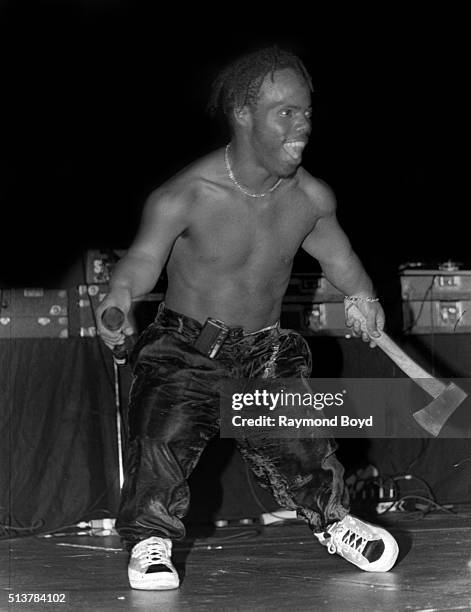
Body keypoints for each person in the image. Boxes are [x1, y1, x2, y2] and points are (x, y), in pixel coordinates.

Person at [96, 46, 399, 591]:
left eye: (307, 111)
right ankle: (149, 540)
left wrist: (364, 297)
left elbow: (342, 260)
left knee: (305, 443)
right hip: (187, 349)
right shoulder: (186, 194)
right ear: (242, 113)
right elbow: (140, 262)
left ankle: (337, 523)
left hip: (266, 352)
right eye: (286, 113)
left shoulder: (311, 197)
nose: (303, 125)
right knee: (162, 440)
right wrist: (118, 298)